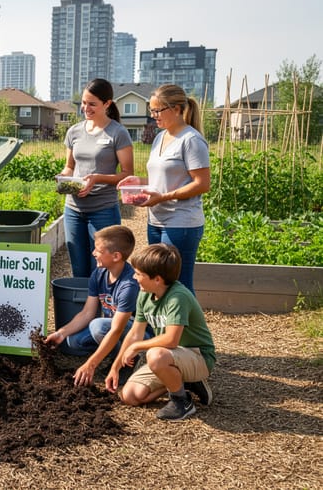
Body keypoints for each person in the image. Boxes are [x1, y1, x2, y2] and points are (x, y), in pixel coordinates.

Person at [104, 243, 215, 421]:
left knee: (155, 355)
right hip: (170, 357)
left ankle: (181, 401)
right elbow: (134, 333)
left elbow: (171, 340)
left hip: (198, 356)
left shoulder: (177, 297)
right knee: (130, 396)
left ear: (157, 279)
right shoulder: (145, 294)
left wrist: (138, 347)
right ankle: (184, 382)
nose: (134, 277)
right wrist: (115, 367)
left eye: (139, 274)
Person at [117, 84, 211, 293]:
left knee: (179, 285)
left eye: (158, 111)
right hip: (156, 221)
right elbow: (160, 179)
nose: (153, 116)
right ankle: (163, 327)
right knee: (159, 283)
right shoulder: (161, 137)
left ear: (177, 109)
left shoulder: (191, 140)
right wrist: (137, 182)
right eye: (151, 111)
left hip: (181, 222)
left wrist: (162, 197)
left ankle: (189, 327)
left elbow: (202, 184)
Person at [45, 225, 147, 387]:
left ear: (116, 256)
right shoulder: (99, 274)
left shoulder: (129, 285)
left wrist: (90, 364)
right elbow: (87, 313)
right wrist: (61, 333)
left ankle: (131, 362)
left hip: (139, 337)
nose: (93, 253)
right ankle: (115, 357)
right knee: (73, 340)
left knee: (98, 326)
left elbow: (117, 330)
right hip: (114, 328)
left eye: (98, 250)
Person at [59, 78, 134, 278]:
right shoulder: (74, 131)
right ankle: (85, 309)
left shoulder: (118, 133)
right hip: (74, 209)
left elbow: (127, 174)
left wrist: (97, 178)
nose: (86, 108)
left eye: (92, 104)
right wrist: (64, 178)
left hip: (103, 210)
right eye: (84, 102)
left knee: (103, 270)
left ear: (107, 103)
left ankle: (105, 309)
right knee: (79, 268)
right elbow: (69, 167)